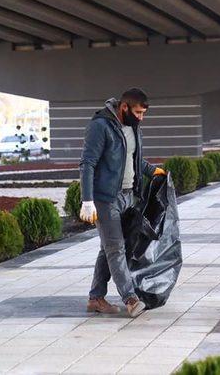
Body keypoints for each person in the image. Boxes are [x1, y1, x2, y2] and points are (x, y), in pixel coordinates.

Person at [79, 88, 165, 317]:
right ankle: (130, 299)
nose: (141, 118)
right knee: (116, 248)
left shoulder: (133, 128)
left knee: (109, 248)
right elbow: (87, 164)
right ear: (124, 107)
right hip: (105, 198)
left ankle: (96, 298)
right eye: (138, 112)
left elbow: (132, 159)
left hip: (129, 196)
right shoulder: (100, 126)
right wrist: (87, 200)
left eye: (143, 114)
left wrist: (153, 171)